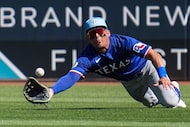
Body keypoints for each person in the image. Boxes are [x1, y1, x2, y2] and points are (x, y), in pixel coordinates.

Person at [48, 17, 186, 108]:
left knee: (170, 102)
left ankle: (174, 87)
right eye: (92, 34)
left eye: (100, 32)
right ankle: (161, 95)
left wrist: (162, 75)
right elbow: (72, 76)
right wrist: (51, 91)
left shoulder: (123, 42)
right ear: (87, 38)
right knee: (151, 103)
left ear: (107, 32)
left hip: (146, 70)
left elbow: (153, 54)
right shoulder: (87, 57)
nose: (97, 37)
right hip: (128, 82)